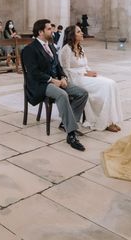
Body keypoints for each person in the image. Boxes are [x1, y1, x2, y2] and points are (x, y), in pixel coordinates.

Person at [21, 19, 88, 151]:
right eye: (49, 29)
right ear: (40, 32)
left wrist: (62, 77)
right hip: (40, 85)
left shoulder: (51, 46)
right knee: (62, 95)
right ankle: (71, 134)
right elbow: (34, 73)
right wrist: (52, 80)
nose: (52, 31)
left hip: (55, 80)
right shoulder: (29, 49)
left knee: (82, 93)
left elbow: (57, 66)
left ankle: (66, 123)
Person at [59, 25, 123, 132]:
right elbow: (66, 71)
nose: (82, 33)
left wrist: (89, 72)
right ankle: (103, 122)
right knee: (106, 85)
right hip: (75, 79)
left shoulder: (80, 47)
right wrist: (84, 74)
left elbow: (85, 65)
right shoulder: (65, 50)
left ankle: (110, 120)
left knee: (112, 83)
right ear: (72, 35)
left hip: (84, 76)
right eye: (79, 31)